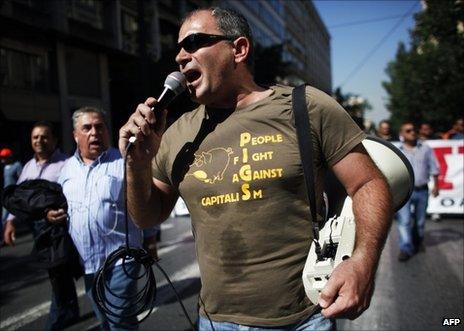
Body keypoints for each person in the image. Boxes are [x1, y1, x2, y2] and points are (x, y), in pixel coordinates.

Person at [120, 7, 393, 330]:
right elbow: (147, 216)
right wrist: (137, 165)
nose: (180, 57)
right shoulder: (177, 133)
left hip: (304, 318)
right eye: (178, 48)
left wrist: (362, 262)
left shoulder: (307, 107)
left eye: (193, 42)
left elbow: (368, 183)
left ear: (239, 49)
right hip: (215, 322)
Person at [48, 107, 145, 331]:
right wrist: (52, 215)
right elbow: (59, 206)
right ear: (75, 135)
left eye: (99, 127)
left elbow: (143, 201)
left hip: (122, 259)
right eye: (87, 128)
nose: (94, 132)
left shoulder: (123, 161)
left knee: (120, 320)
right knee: (105, 322)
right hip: (88, 264)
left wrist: (149, 241)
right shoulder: (66, 170)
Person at [2, 122, 79, 330]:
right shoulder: (28, 167)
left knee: (58, 271)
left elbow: (75, 196)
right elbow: (18, 197)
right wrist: (10, 222)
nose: (39, 141)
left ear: (54, 140)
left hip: (61, 228)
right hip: (39, 229)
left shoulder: (67, 164)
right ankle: (71, 309)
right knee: (58, 272)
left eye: (44, 137)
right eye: (35, 137)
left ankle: (56, 319)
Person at [396, 122, 439, 262]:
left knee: (420, 221)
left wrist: (436, 186)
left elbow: (434, 168)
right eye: (408, 130)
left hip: (422, 191)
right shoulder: (398, 150)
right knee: (405, 221)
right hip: (405, 191)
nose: (412, 132)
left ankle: (417, 241)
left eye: (414, 129)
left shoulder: (425, 149)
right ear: (402, 134)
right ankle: (406, 248)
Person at [1, 148, 22, 233]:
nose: (3, 159)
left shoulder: (17, 165)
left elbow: (21, 178)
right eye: (2, 157)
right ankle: (4, 235)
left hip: (14, 194)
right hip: (6, 195)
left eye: (5, 157)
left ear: (9, 157)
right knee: (4, 216)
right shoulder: (5, 168)